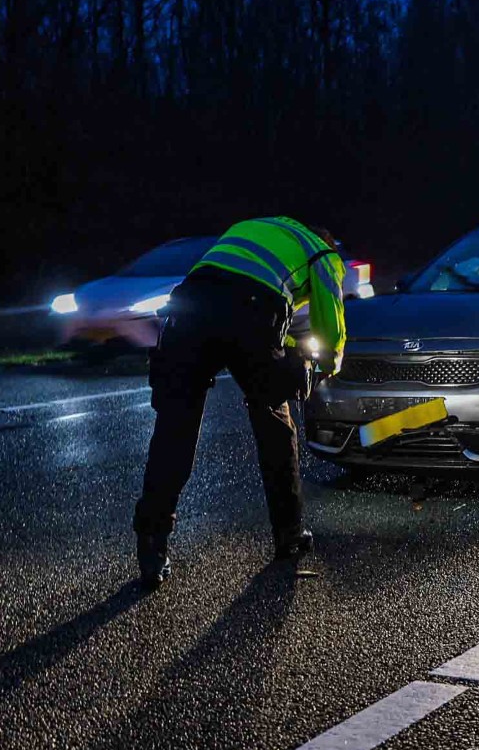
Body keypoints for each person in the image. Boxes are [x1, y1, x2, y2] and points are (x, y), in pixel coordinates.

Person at [133, 217, 347, 587]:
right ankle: (289, 535)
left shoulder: (256, 229)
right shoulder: (323, 253)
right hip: (251, 309)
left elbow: (246, 303)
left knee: (175, 429)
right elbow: (329, 328)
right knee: (273, 423)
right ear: (325, 239)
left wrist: (282, 350)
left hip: (190, 304)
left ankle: (152, 545)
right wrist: (327, 366)